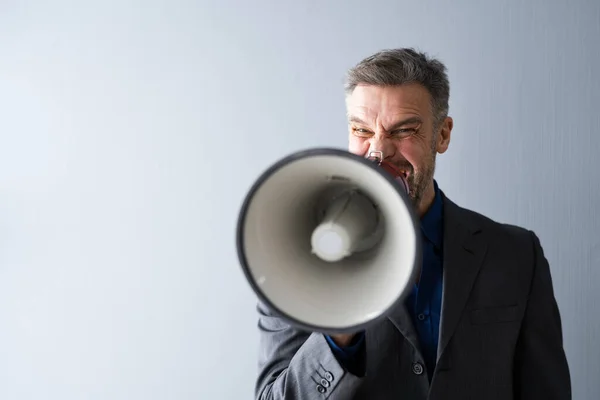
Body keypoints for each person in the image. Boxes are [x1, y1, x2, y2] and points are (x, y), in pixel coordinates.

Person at [254, 48, 571, 399]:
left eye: (403, 131)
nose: (378, 151)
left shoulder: (516, 254)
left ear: (442, 135)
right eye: (362, 130)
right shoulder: (294, 263)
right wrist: (337, 327)